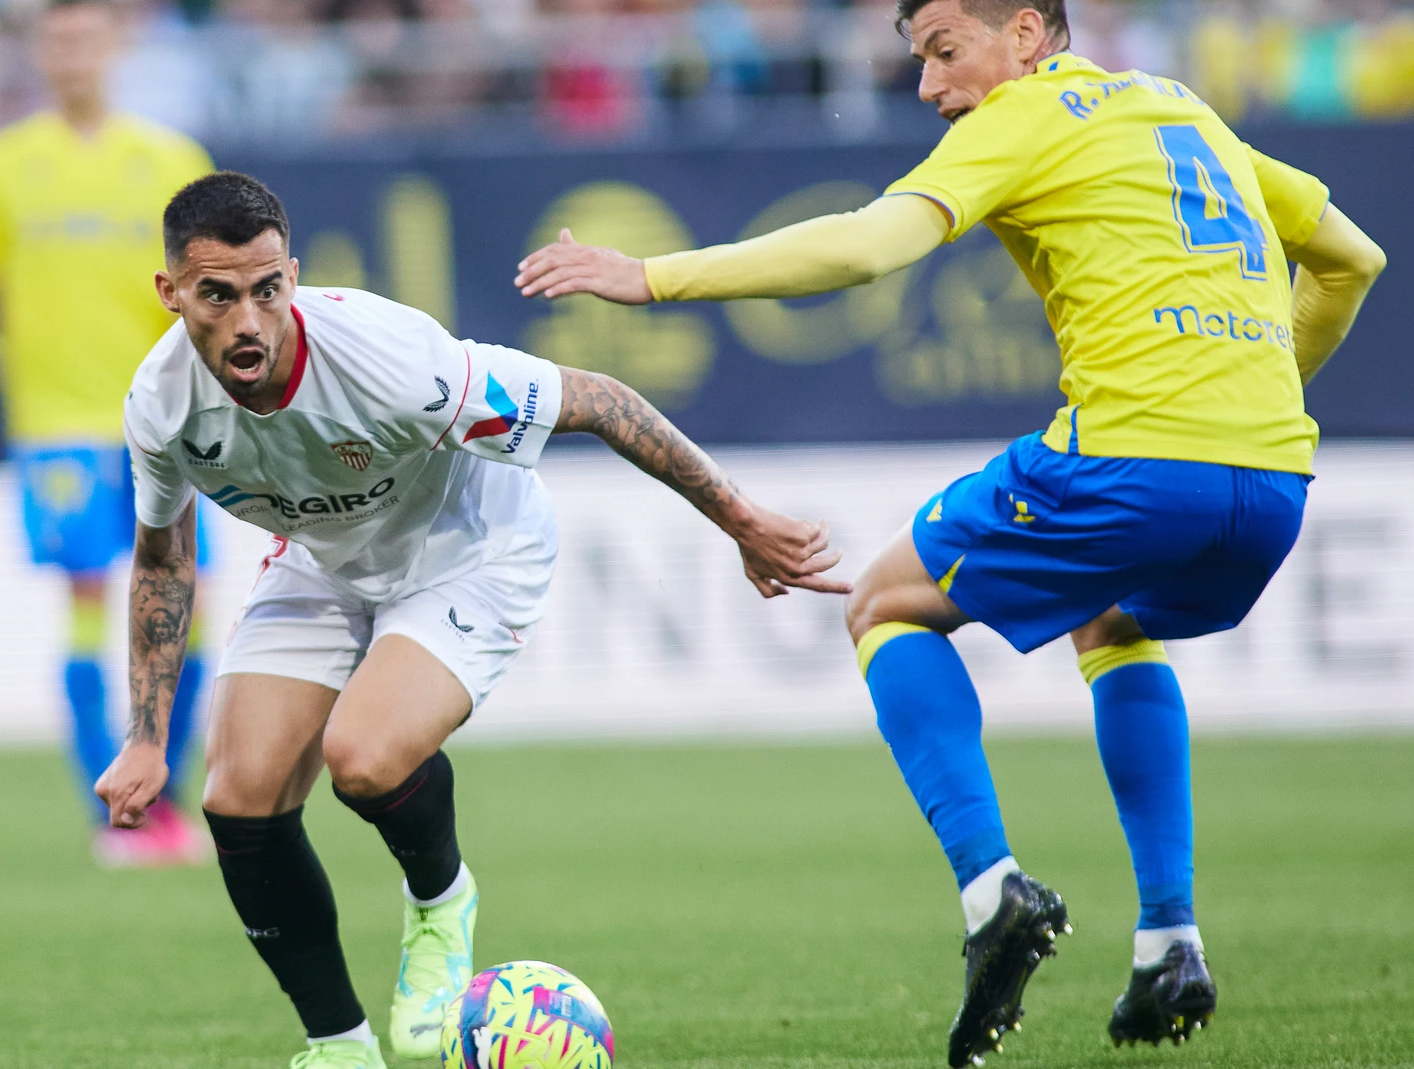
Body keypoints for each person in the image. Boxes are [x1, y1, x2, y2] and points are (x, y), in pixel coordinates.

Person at [513, 0, 1387, 1062]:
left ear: (1026, 34)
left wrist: (650, 275)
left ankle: (990, 894)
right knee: (1109, 618)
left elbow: (864, 249)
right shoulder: (1180, 108)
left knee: (884, 603)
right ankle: (1168, 939)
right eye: (918, 59)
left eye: (943, 49)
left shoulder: (1025, 115)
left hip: (1131, 459)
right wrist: (1252, 399)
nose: (929, 86)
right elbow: (1351, 258)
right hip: (1271, 486)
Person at [93, 172, 848, 1069]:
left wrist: (742, 520)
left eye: (268, 290)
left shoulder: (392, 359)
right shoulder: (160, 402)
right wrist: (147, 737)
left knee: (364, 757)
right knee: (236, 796)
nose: (249, 320)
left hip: (470, 546)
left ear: (293, 275)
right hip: (324, 559)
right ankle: (340, 1046)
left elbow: (597, 398)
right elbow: (166, 556)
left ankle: (440, 901)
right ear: (172, 291)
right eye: (218, 295)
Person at [0, 0, 215, 866]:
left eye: (87, 35)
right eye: (58, 38)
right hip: (57, 423)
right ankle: (115, 813)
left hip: (165, 420)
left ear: (116, 45)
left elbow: (213, 290)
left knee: (185, 606)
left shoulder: (169, 159)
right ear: (40, 52)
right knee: (92, 598)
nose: (73, 52)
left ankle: (159, 792)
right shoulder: (0, 165)